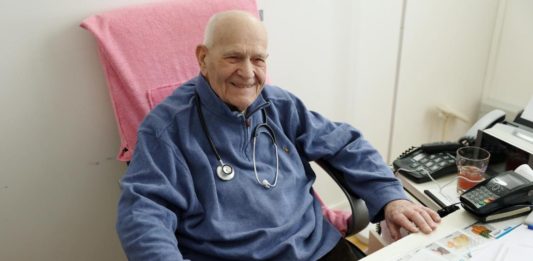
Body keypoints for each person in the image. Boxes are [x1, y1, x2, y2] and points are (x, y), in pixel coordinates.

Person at [116, 10, 440, 261]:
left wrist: (391, 197)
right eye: (233, 57)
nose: (247, 72)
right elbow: (143, 212)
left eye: (258, 59)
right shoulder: (166, 130)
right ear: (203, 58)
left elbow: (345, 143)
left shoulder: (281, 105)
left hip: (315, 248)